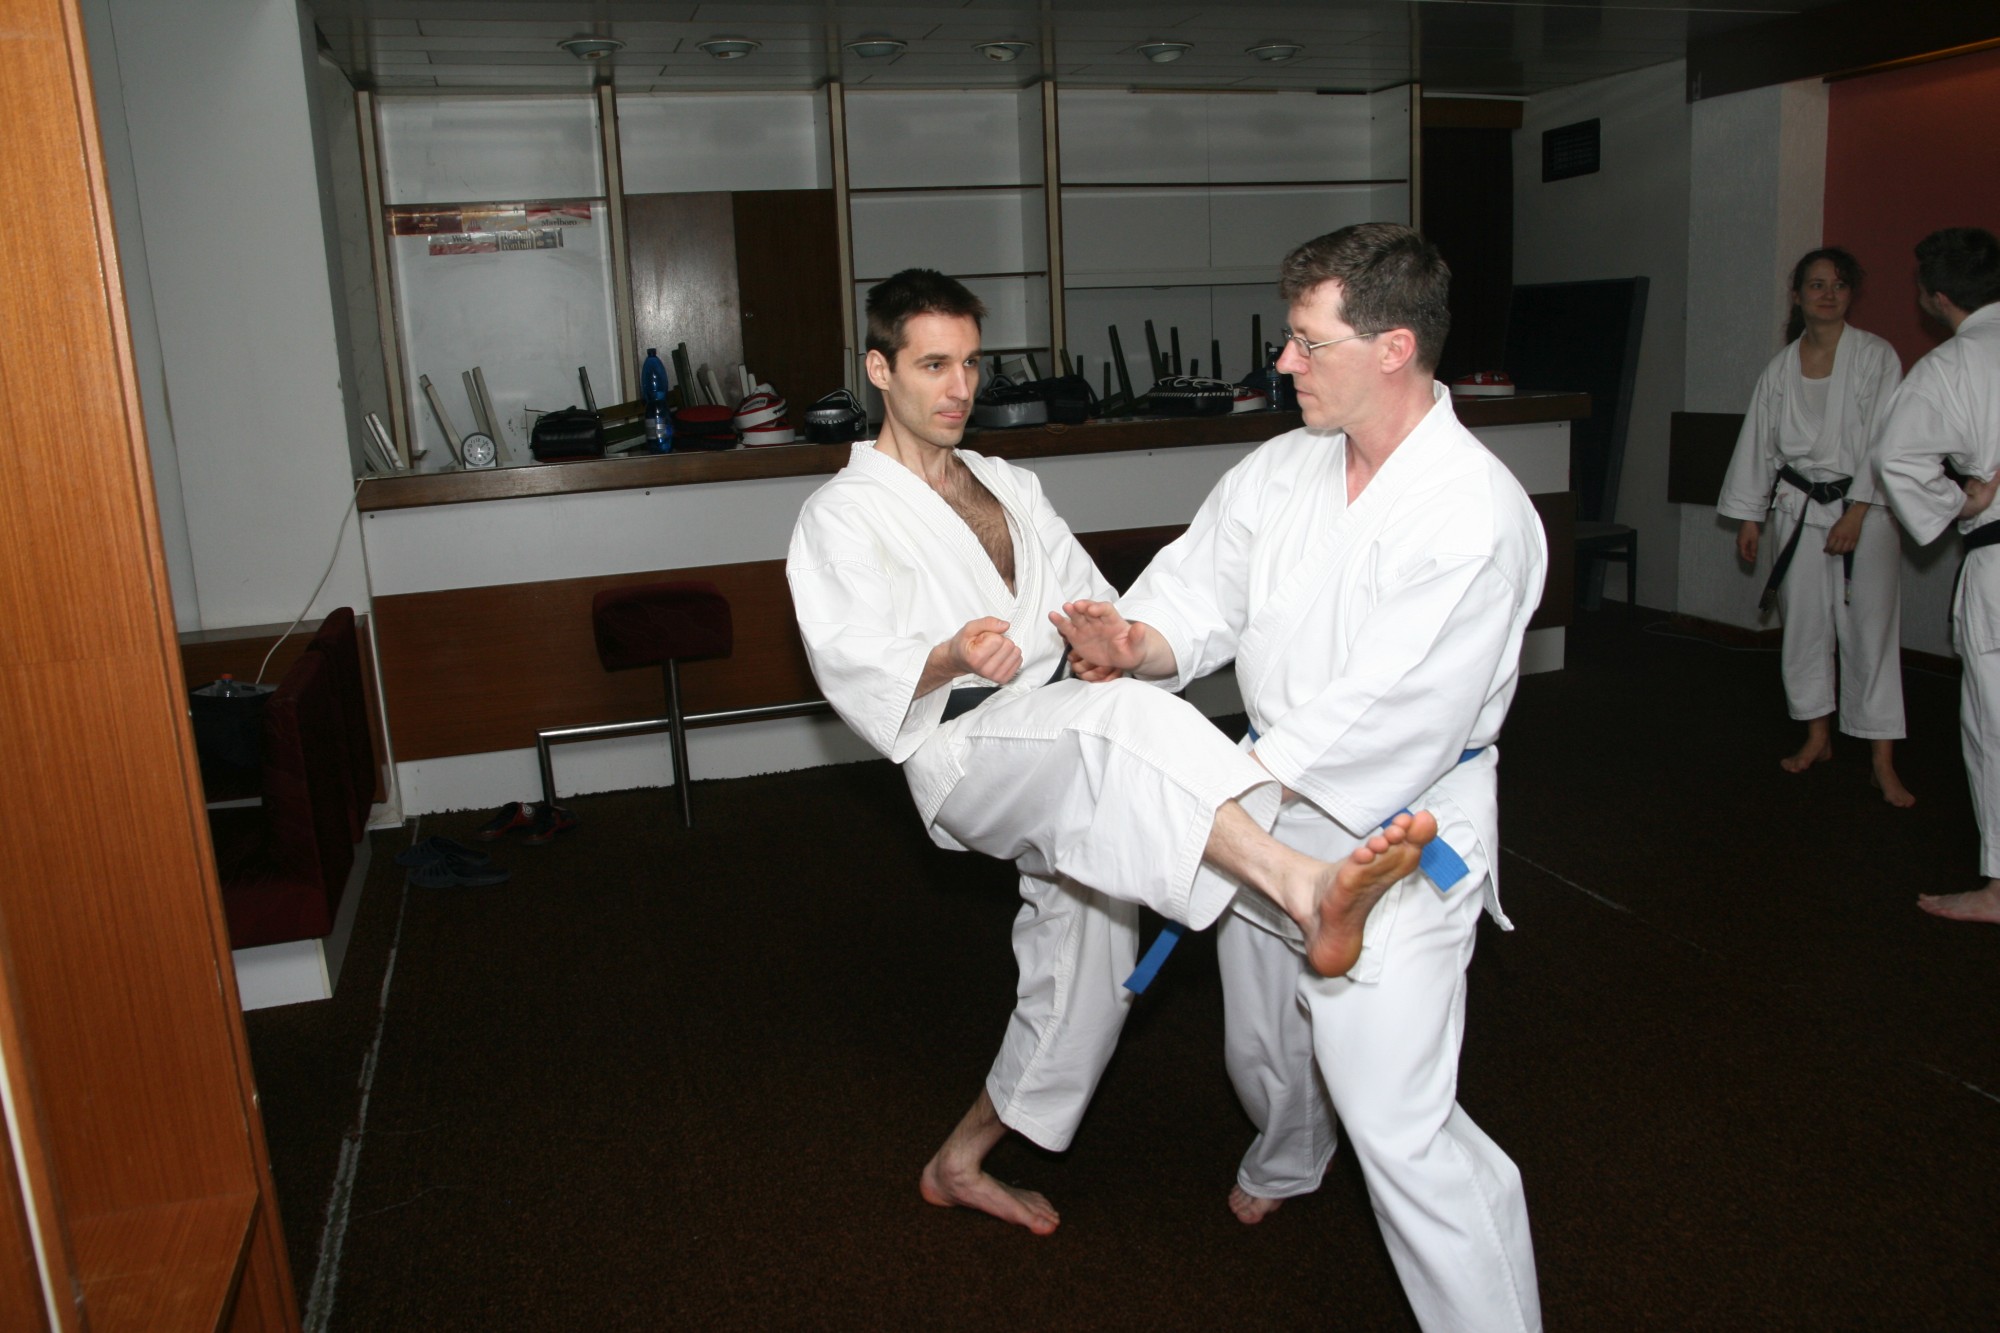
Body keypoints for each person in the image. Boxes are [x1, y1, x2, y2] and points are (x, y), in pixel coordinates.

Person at [785, 268, 1436, 1235]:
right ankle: (1304, 884)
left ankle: (960, 1160)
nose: (960, 388)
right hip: (963, 751)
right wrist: (949, 653)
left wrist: (1101, 638)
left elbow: (1086, 600)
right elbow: (851, 661)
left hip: (1058, 738)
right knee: (1115, 728)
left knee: (1087, 967)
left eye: (971, 364)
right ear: (880, 370)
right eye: (932, 366)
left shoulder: (1010, 485)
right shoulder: (841, 514)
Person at [1056, 223, 1546, 1332]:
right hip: (1263, 816)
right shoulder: (1284, 468)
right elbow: (1199, 593)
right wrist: (1136, 640)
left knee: (1397, 1122)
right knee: (1263, 1045)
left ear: (1393, 348)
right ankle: (1288, 1153)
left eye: (1306, 343)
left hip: (1392, 838)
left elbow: (1385, 710)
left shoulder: (1471, 516)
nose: (1283, 363)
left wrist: (1211, 787)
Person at [1717, 248, 1912, 804]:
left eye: (1839, 285)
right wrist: (1750, 516)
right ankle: (1817, 736)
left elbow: (1887, 439)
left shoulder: (1876, 357)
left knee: (1870, 629)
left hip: (1865, 511)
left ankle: (1881, 760)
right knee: (1803, 625)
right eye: (1817, 284)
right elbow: (1758, 443)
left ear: (1851, 294)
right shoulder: (1780, 368)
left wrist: (1857, 510)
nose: (1828, 294)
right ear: (1797, 294)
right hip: (1795, 508)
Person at [1869, 227, 2000, 922]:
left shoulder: (1953, 365)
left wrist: (1957, 502)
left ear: (1937, 297)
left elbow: (1897, 455)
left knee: (1996, 723)